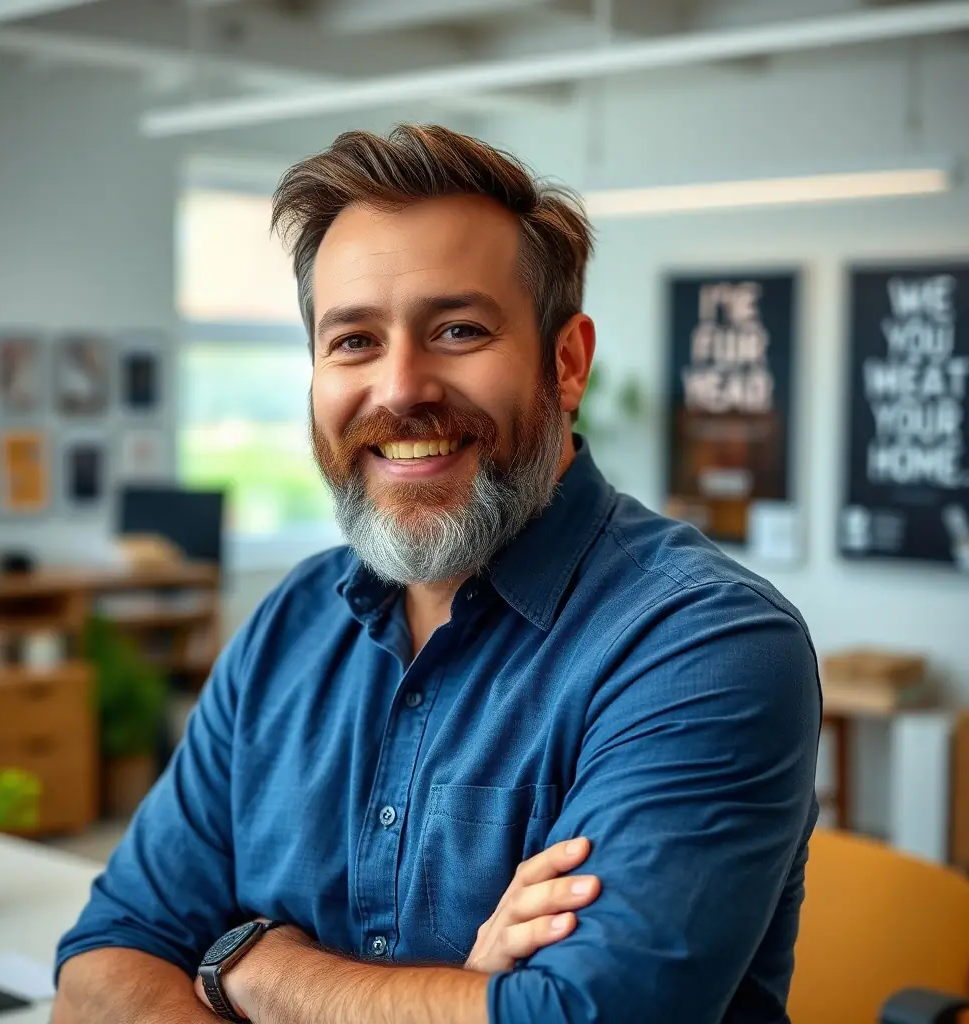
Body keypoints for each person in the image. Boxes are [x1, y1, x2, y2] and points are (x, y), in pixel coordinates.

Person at [53, 124, 820, 1024]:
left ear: (566, 363)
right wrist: (471, 997)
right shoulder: (287, 627)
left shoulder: (703, 646)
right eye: (353, 342)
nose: (400, 388)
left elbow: (588, 1017)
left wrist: (253, 970)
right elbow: (100, 967)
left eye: (458, 330)